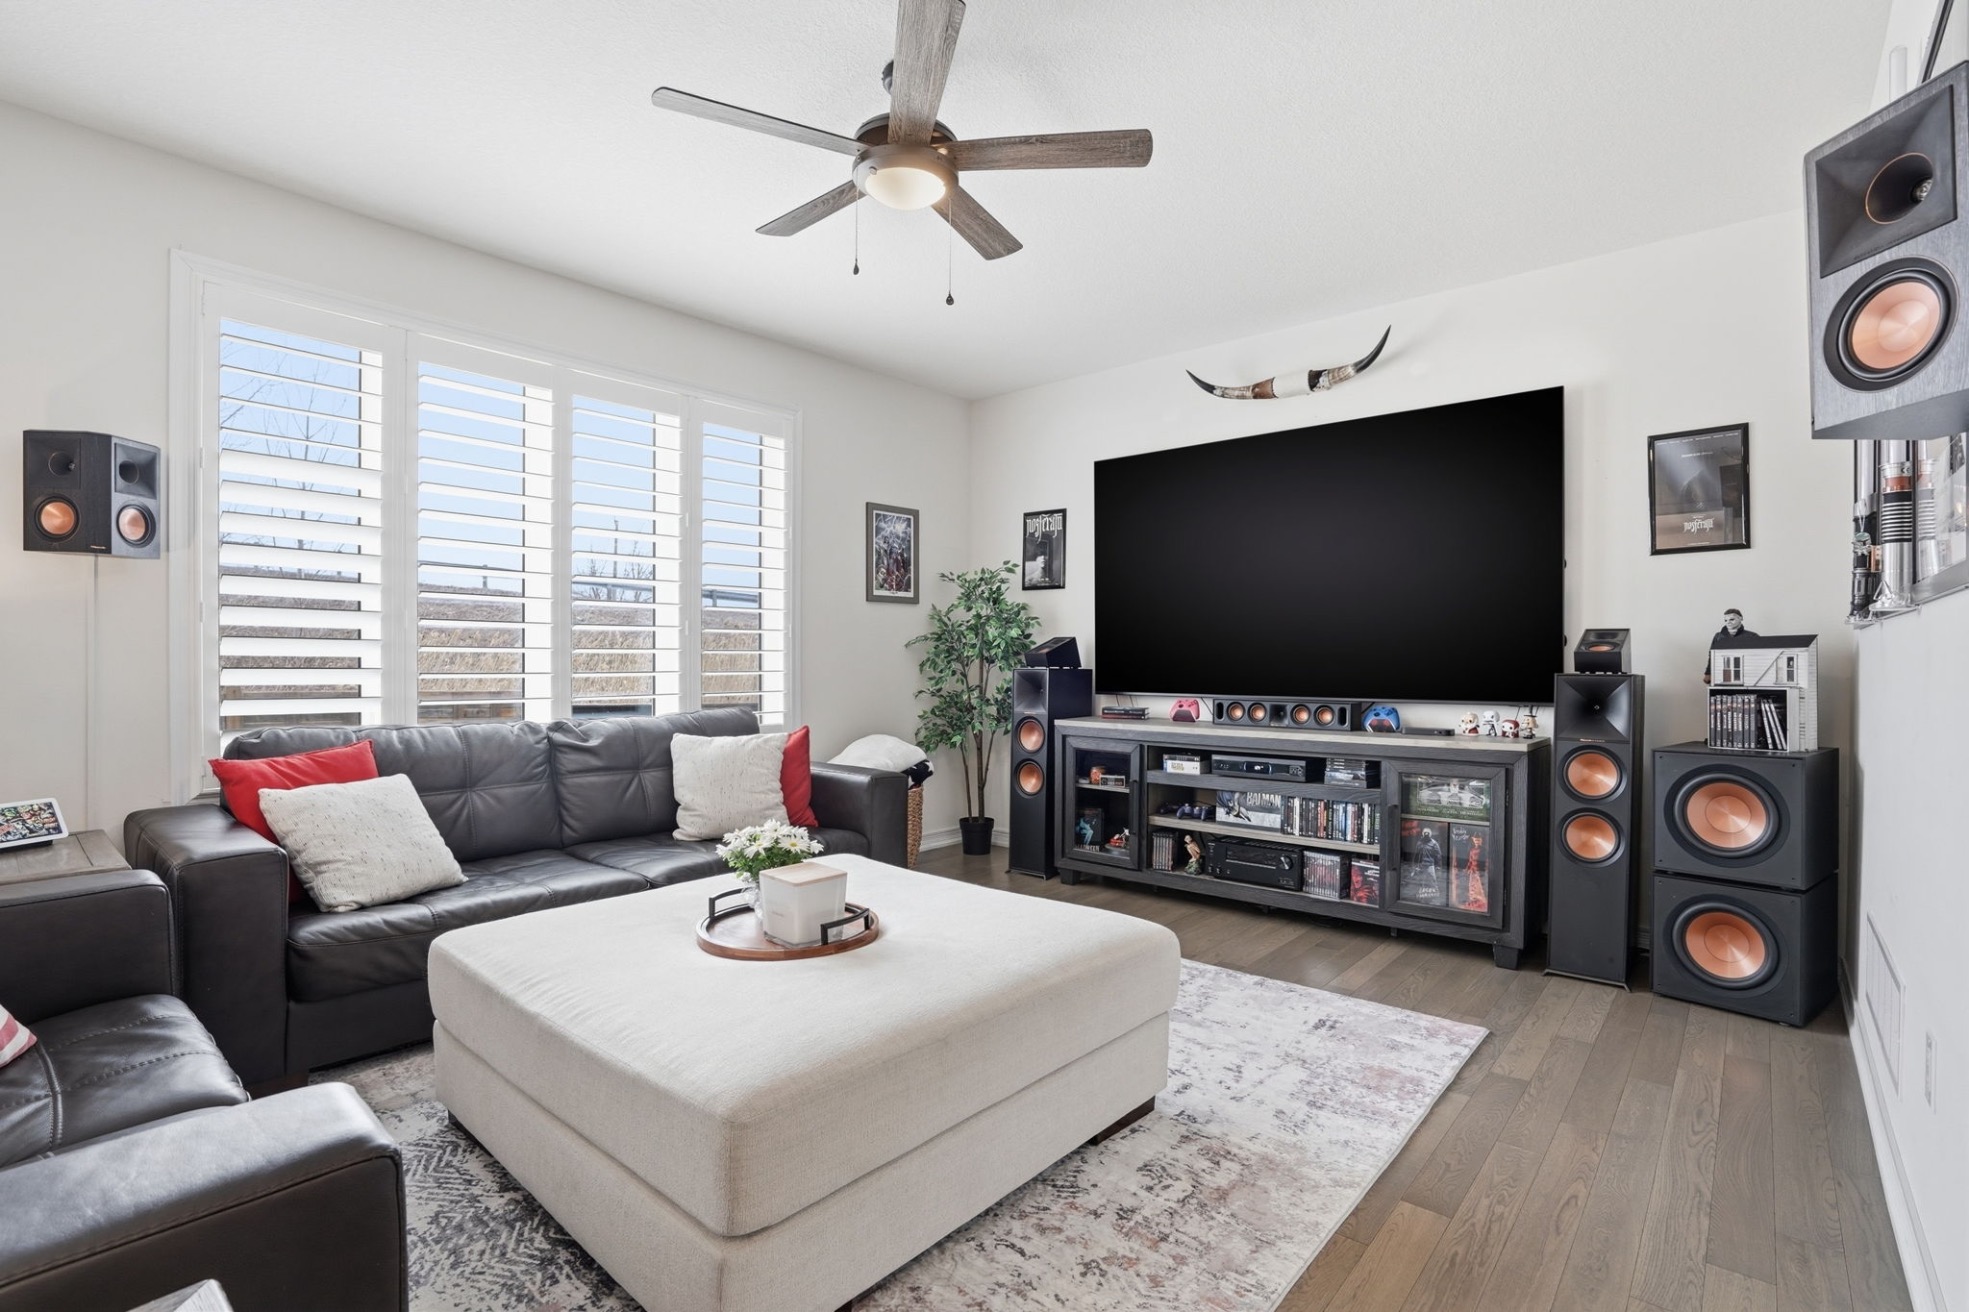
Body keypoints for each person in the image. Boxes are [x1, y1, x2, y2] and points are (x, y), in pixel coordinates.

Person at [1701, 607, 1761, 683]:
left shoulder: (1751, 636)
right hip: (1723, 674)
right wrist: (1708, 673)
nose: (1728, 622)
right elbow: (1712, 655)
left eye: (1732, 619)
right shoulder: (1718, 637)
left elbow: (1757, 658)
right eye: (1726, 620)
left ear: (1740, 618)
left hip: (1746, 674)